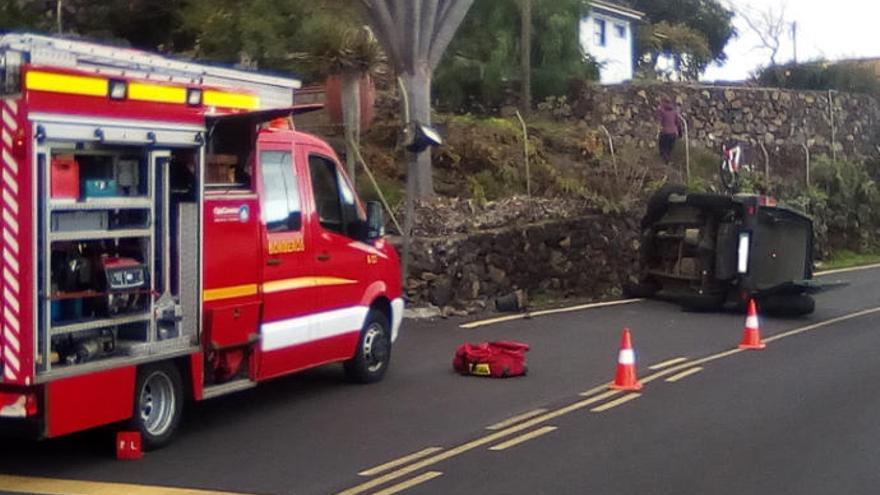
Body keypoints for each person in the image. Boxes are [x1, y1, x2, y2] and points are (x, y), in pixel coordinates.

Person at [656, 97, 683, 164]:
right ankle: (668, 162)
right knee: (669, 150)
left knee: (662, 149)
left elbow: (659, 122)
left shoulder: (661, 110)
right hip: (673, 133)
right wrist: (680, 133)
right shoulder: (674, 111)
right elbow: (678, 123)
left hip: (665, 133)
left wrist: (657, 133)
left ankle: (664, 164)